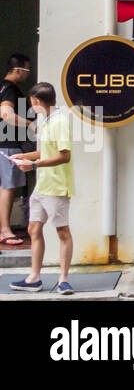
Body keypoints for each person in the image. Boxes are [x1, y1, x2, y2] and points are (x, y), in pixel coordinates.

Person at [8, 83, 75, 294]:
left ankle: (64, 280)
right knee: (33, 229)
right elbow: (44, 152)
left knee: (62, 231)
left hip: (57, 187)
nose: (31, 107)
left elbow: (65, 156)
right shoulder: (44, 121)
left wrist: (33, 165)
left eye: (31, 103)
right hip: (42, 186)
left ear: (36, 101)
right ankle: (34, 278)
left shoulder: (60, 121)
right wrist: (23, 157)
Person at [0, 54, 33, 248]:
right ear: (18, 69)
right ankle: (5, 230)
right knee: (8, 187)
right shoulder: (10, 89)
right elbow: (6, 114)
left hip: (4, 143)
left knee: (5, 186)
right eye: (27, 70)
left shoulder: (3, 87)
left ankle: (4, 228)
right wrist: (31, 125)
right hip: (8, 143)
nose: (27, 75)